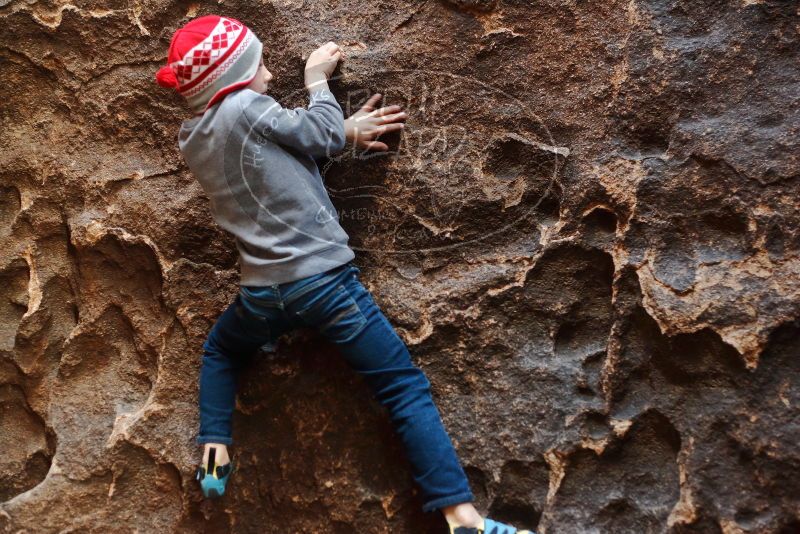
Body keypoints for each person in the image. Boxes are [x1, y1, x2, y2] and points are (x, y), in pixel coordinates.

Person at [154, 14, 534, 534]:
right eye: (258, 63)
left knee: (221, 350)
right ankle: (461, 518)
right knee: (402, 388)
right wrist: (318, 85)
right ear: (234, 77)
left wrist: (346, 131)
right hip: (325, 287)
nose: (266, 72)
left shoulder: (192, 135)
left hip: (262, 294)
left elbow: (277, 157)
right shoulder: (248, 105)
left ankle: (216, 452)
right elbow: (318, 133)